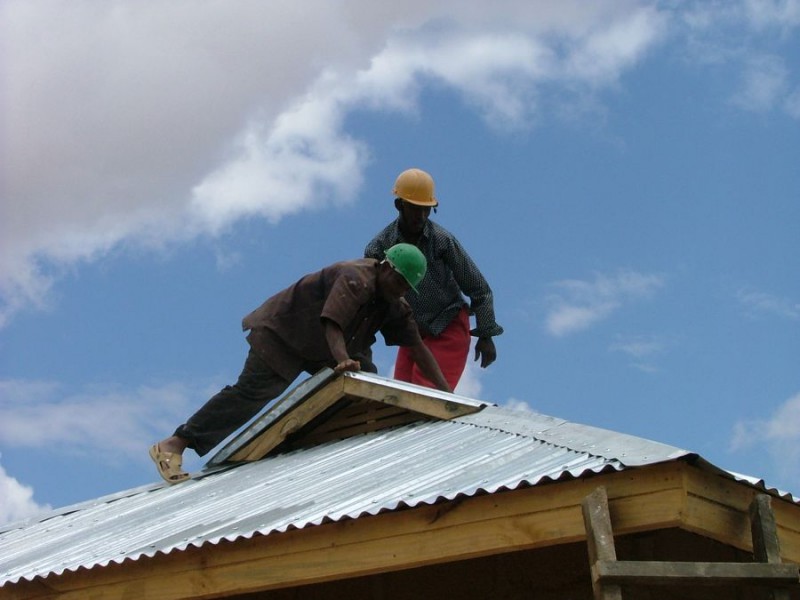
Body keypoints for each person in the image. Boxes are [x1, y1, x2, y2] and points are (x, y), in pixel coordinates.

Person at [150, 243, 451, 484]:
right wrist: (342, 360)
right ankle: (176, 443)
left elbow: (418, 348)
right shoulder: (355, 278)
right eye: (397, 281)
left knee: (366, 384)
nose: (398, 290)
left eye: (405, 288)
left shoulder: (395, 303)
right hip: (284, 333)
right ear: (385, 267)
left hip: (328, 347)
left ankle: (354, 456)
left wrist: (445, 393)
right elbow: (332, 322)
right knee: (254, 393)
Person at [364, 168, 503, 390]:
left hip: (447, 324)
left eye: (426, 210)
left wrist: (486, 334)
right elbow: (370, 298)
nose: (421, 217)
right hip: (412, 332)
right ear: (399, 206)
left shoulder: (441, 241)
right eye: (414, 209)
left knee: (427, 397)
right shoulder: (379, 247)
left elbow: (480, 289)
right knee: (400, 400)